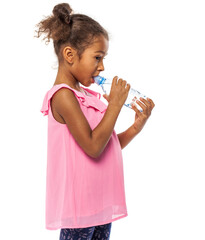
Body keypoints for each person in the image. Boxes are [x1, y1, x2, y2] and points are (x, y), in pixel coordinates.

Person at [35, 2, 155, 240]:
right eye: (97, 57)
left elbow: (106, 144)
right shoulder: (63, 96)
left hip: (100, 202)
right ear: (70, 55)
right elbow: (92, 147)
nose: (102, 67)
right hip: (80, 206)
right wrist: (114, 106)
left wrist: (135, 127)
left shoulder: (87, 96)